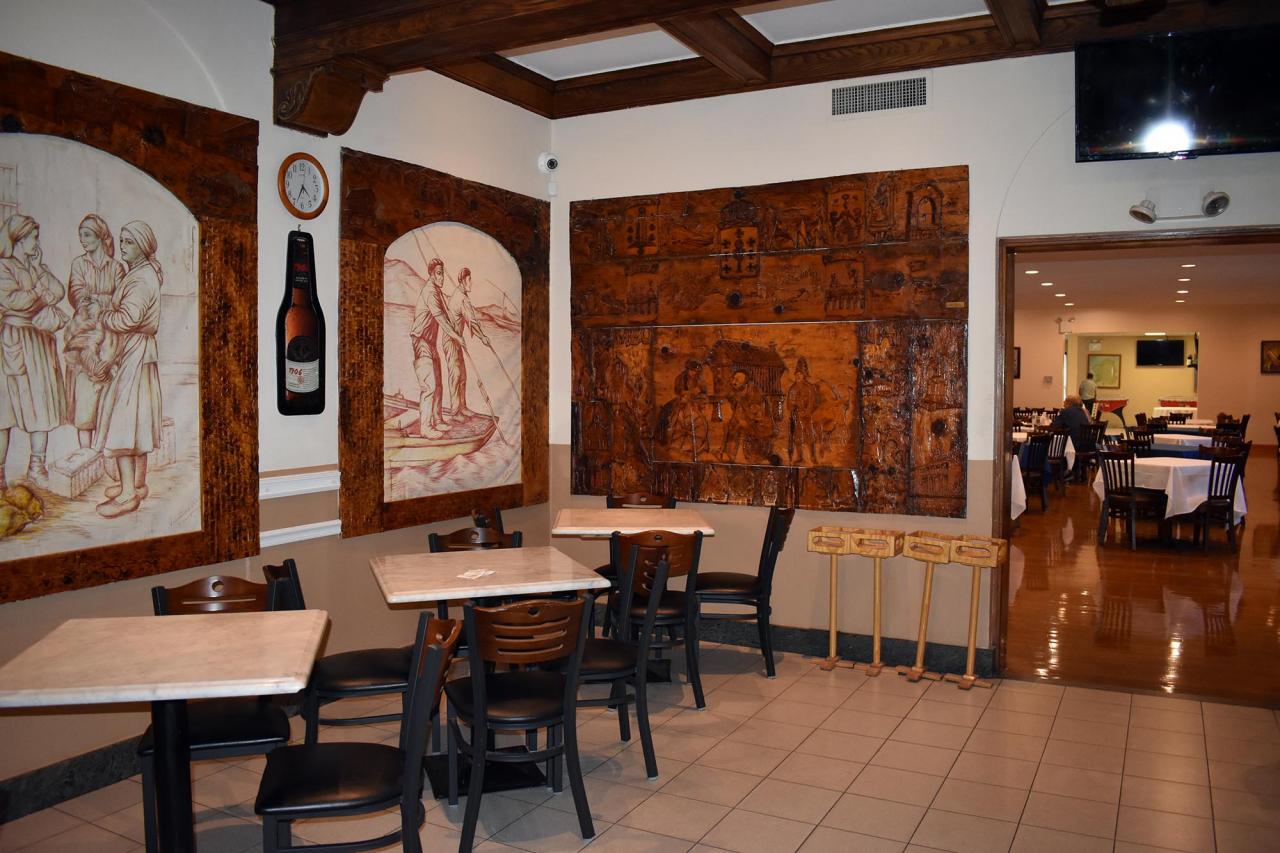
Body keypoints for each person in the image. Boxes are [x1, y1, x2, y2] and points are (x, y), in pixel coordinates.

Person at [95, 220, 164, 518]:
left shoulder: (141, 278)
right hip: (137, 352)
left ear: (144, 246)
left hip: (134, 353)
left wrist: (102, 315)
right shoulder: (142, 273)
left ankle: (127, 495)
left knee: (124, 424)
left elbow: (127, 319)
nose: (122, 246)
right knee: (139, 421)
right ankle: (137, 484)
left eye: (129, 242)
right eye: (121, 240)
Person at [0, 214, 68, 488]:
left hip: (39, 342)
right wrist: (40, 294)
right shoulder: (4, 267)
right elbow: (16, 301)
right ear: (19, 238)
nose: (37, 243)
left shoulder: (36, 266)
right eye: (33, 237)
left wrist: (39, 273)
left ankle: (36, 467)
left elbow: (58, 291)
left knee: (41, 406)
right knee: (4, 412)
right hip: (14, 342)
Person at [65, 214, 124, 449]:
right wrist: (97, 302)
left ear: (100, 237)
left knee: (107, 398)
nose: (82, 240)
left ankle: (103, 455)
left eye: (87, 235)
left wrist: (99, 300)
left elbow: (120, 300)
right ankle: (85, 455)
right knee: (85, 402)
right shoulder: (79, 264)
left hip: (110, 336)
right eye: (80, 235)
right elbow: (77, 296)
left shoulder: (116, 267)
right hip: (84, 332)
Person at [409, 258, 464, 438]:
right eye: (439, 274)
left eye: (443, 274)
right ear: (431, 274)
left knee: (438, 384)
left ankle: (437, 420)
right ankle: (425, 428)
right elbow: (440, 318)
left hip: (430, 343)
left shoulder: (438, 292)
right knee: (429, 387)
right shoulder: (430, 292)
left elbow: (447, 312)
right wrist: (456, 336)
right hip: (421, 341)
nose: (442, 277)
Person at [443, 266, 490, 423]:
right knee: (455, 376)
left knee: (462, 375)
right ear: (463, 281)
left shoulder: (461, 295)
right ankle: (455, 412)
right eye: (469, 280)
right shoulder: (461, 298)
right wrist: (483, 337)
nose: (471, 283)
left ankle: (462, 407)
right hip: (451, 340)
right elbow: (472, 322)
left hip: (458, 340)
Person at [786, 356, 821, 464]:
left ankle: (813, 457)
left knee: (809, 436)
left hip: (807, 416)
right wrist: (793, 409)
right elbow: (789, 403)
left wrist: (806, 412)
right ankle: (800, 457)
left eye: (800, 374)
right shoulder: (792, 388)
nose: (798, 376)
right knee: (797, 437)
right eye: (796, 374)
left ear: (804, 375)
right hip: (796, 416)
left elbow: (812, 402)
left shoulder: (809, 387)